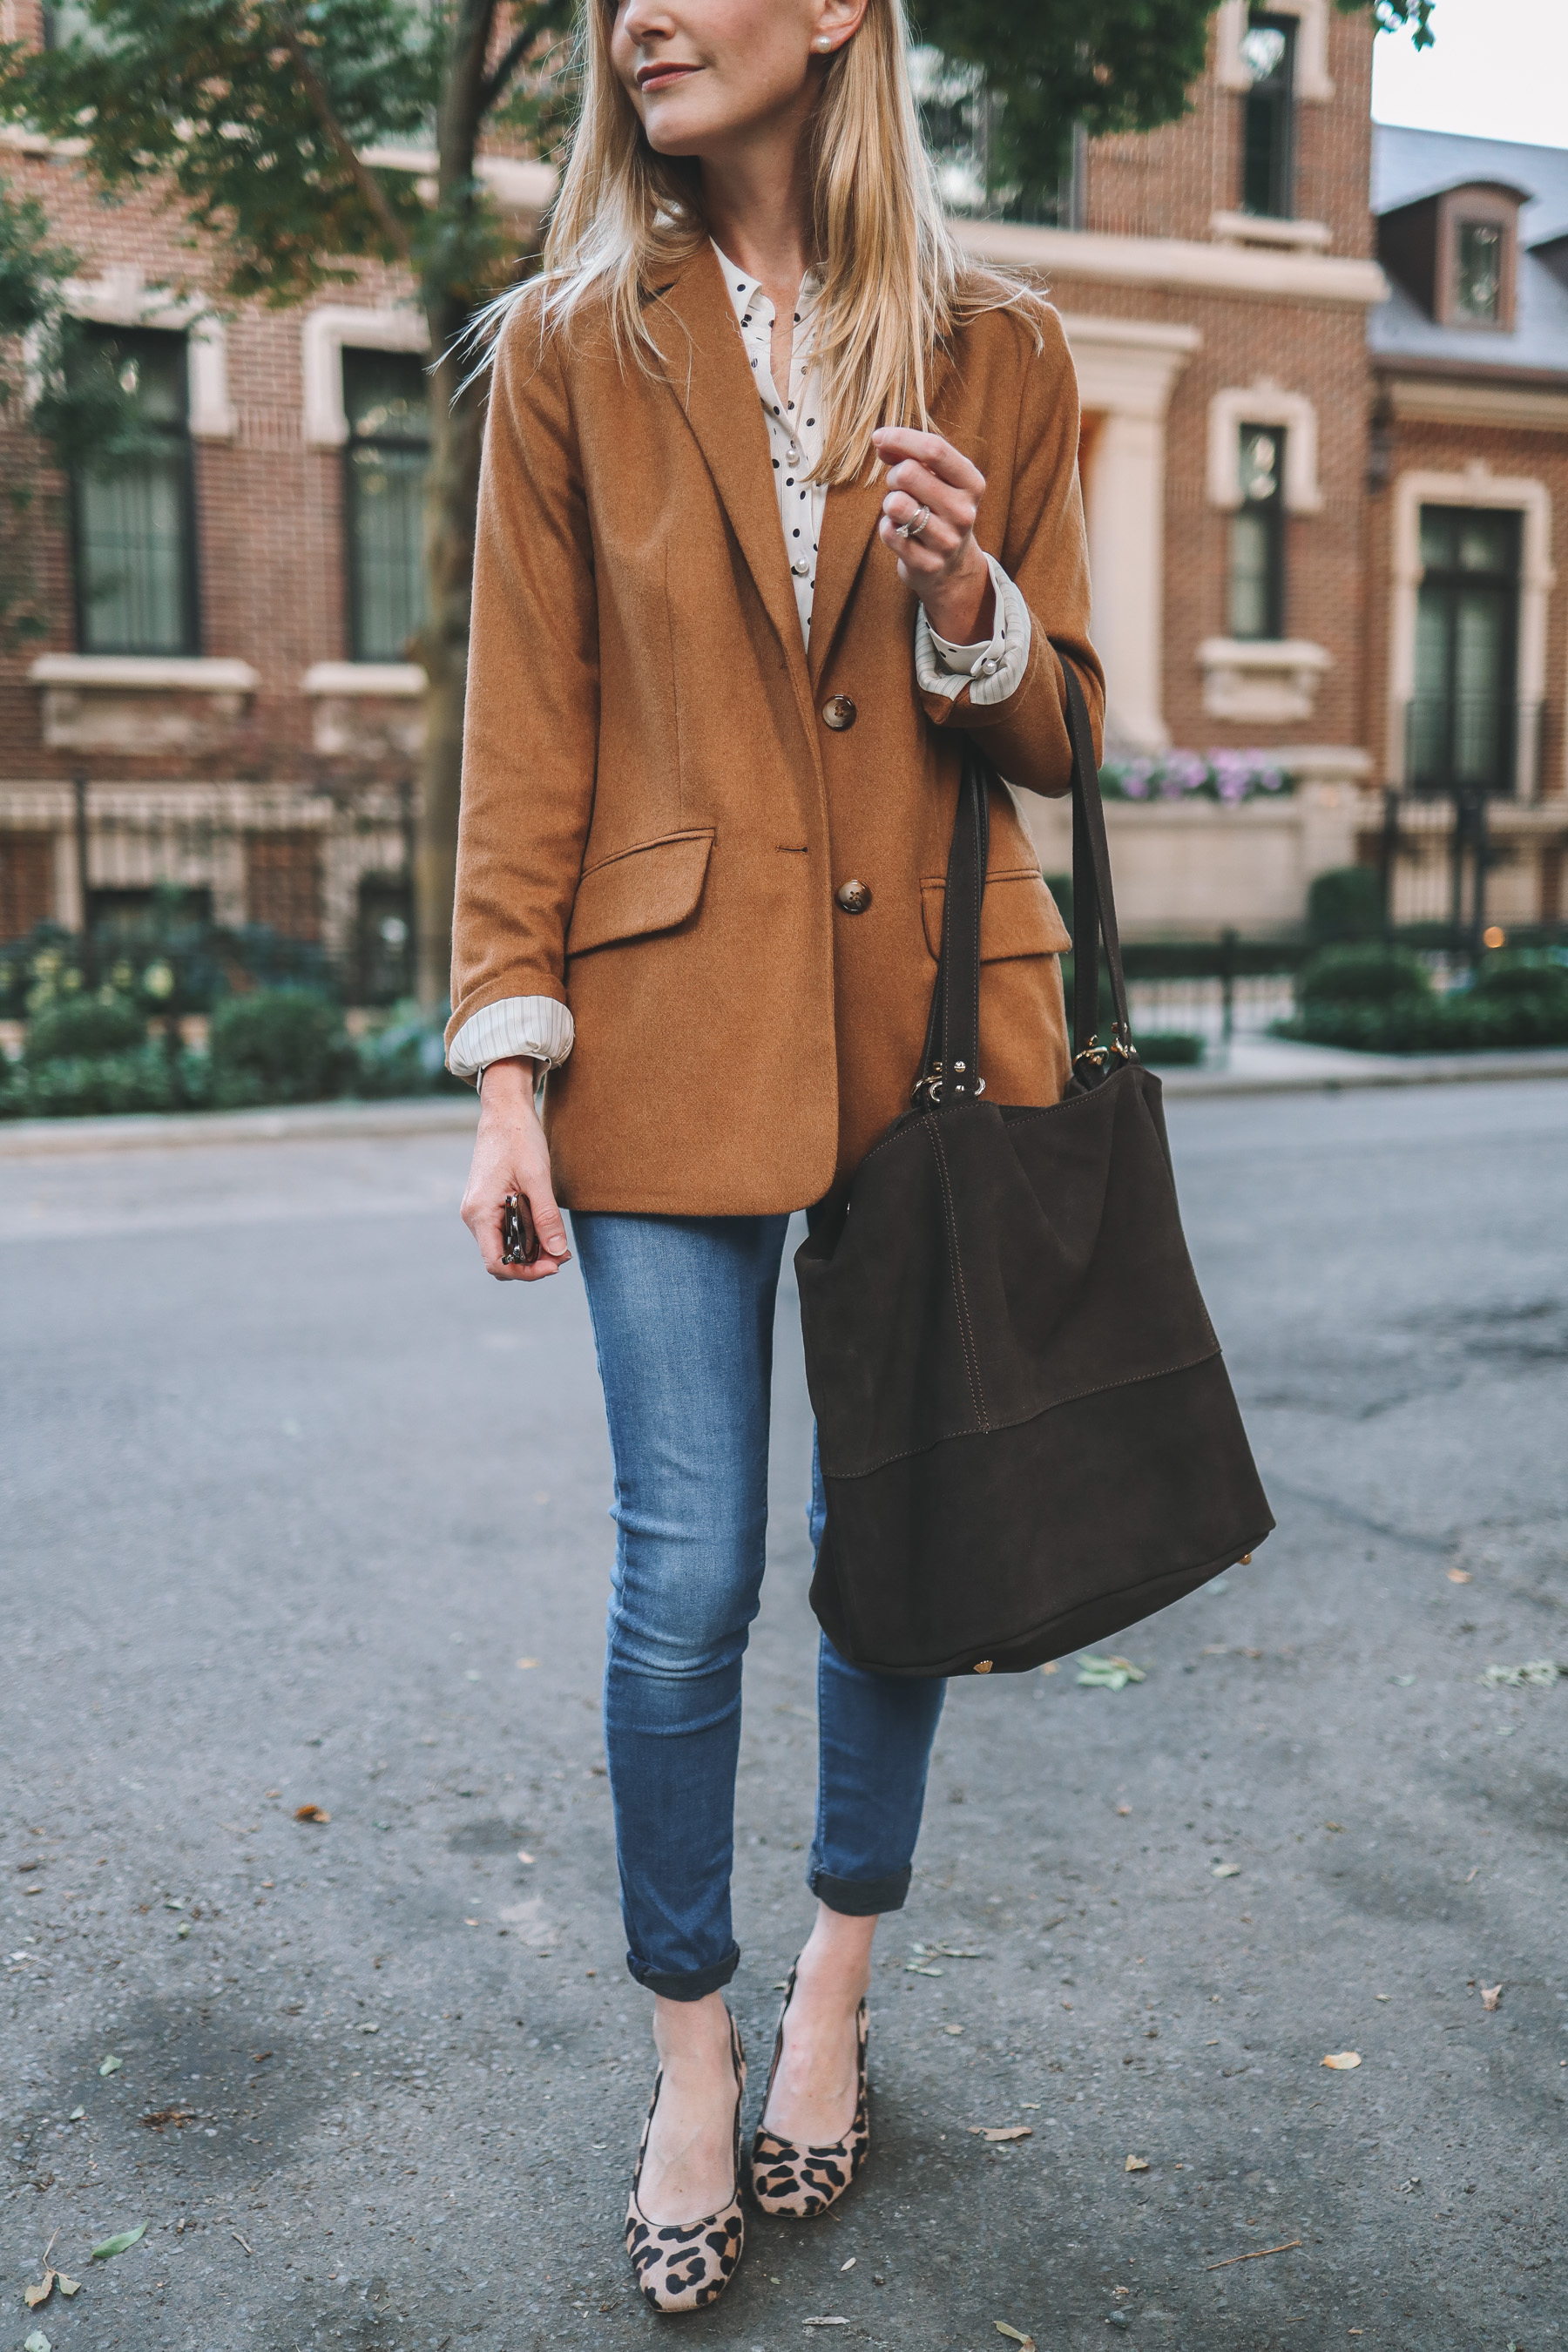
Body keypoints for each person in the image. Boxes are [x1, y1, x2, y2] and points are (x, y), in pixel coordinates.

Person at [449, 0, 1103, 2314]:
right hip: (660, 1039)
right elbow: (527, 720)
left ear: (839, 13)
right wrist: (509, 1066)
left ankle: (834, 1996)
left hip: (933, 1032)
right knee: (684, 1576)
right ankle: (694, 2051)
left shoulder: (1001, 343)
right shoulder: (568, 347)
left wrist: (966, 604)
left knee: (893, 1543)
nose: (637, 17)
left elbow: (1064, 721)